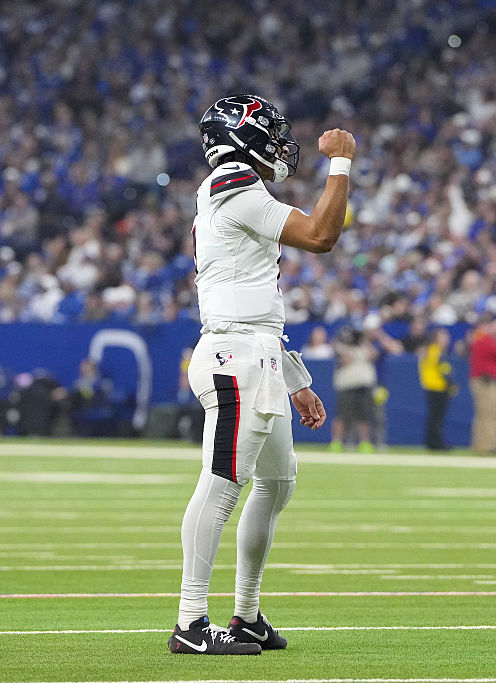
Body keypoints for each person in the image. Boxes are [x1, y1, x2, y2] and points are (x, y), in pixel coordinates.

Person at [170, 94, 354, 656]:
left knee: (277, 482)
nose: (279, 144)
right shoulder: (232, 186)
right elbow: (321, 236)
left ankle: (246, 614)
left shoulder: (229, 191)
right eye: (269, 133)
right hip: (233, 359)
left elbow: (254, 307)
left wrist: (292, 374)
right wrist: (341, 163)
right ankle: (191, 621)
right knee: (223, 484)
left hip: (257, 353)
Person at [329, 326, 377, 453]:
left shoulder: (364, 348)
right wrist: (347, 344)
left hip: (363, 385)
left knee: (363, 416)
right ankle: (337, 442)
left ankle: (364, 442)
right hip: (347, 385)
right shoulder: (341, 347)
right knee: (342, 415)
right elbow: (345, 359)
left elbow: (374, 355)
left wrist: (363, 341)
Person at [469, 318, 496, 454]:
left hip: (485, 380)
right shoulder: (482, 339)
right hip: (485, 380)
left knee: (486, 413)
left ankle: (484, 445)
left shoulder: (481, 339)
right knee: (490, 413)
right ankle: (488, 446)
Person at [419, 328, 454, 451]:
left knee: (435, 417)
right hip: (437, 387)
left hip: (435, 387)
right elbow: (441, 370)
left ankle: (433, 442)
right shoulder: (434, 351)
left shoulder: (434, 351)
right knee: (436, 418)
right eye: (443, 337)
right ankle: (435, 443)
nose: (446, 339)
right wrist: (449, 384)